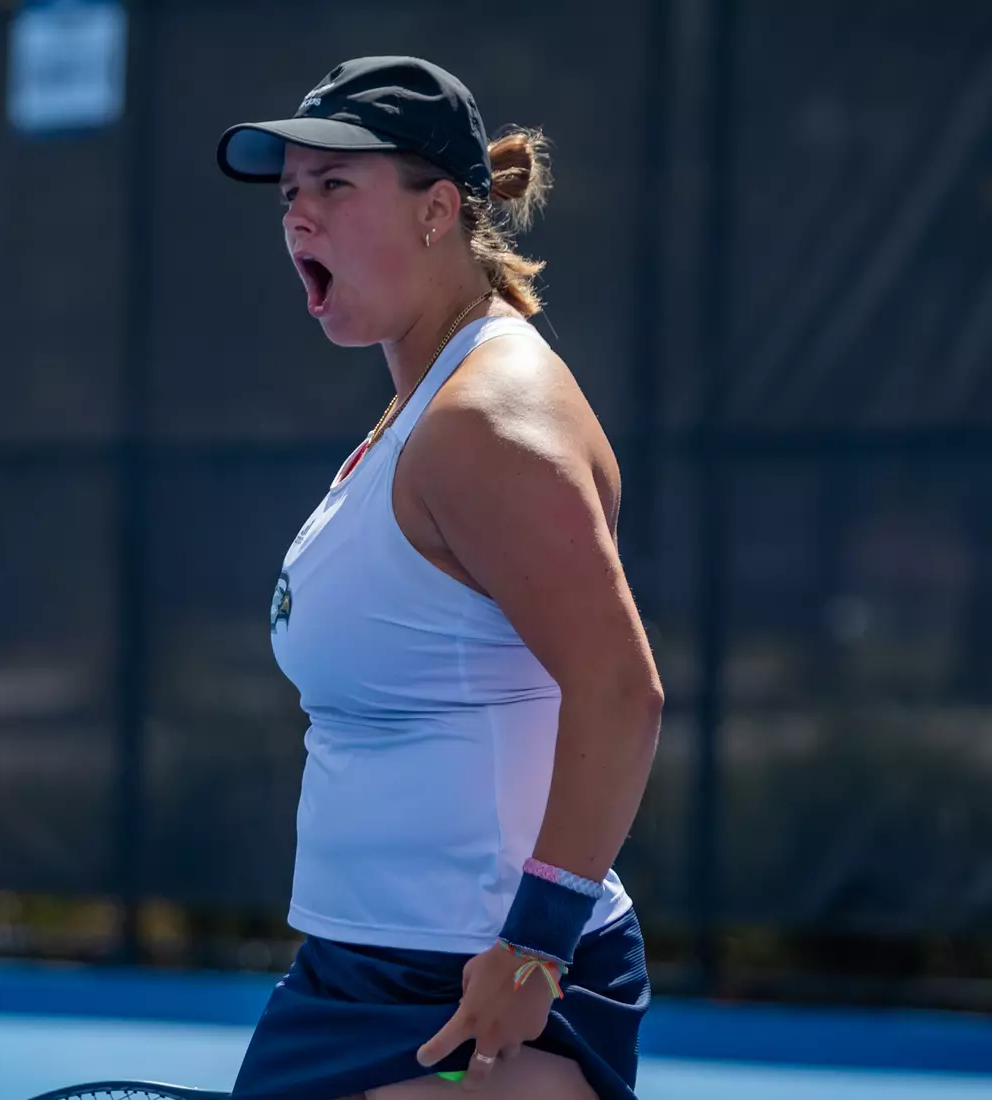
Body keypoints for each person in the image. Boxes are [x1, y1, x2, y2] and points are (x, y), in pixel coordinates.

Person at [216, 56, 664, 1100]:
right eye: (290, 193)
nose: (300, 218)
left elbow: (621, 690)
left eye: (336, 186)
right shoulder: (423, 407)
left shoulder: (485, 423)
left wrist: (534, 948)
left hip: (474, 988)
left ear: (439, 212)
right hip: (364, 978)